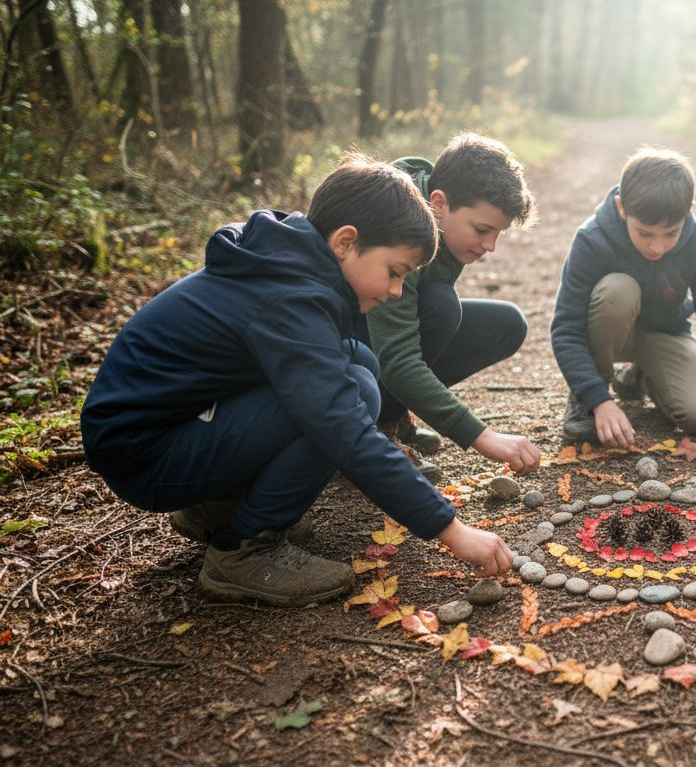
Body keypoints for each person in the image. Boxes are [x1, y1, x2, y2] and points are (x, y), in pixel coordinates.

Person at [80, 155, 513, 607]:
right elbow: (343, 428)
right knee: (352, 397)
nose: (395, 292)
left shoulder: (289, 265)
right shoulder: (289, 298)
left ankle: (217, 508)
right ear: (346, 241)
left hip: (172, 426)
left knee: (359, 361)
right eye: (395, 272)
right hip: (146, 457)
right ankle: (244, 548)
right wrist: (451, 530)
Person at [356, 133, 541, 479]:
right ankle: (371, 427)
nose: (490, 246)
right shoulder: (400, 229)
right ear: (438, 203)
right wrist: (482, 436)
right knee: (442, 306)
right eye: (483, 229)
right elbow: (398, 361)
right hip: (343, 352)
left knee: (506, 325)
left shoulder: (438, 222)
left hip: (380, 338)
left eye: (497, 233)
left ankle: (393, 414)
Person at [552, 147, 696, 448]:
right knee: (618, 290)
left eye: (671, 234)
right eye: (645, 234)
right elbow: (566, 328)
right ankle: (585, 399)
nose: (657, 247)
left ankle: (641, 378)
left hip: (663, 333)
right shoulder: (591, 240)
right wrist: (598, 400)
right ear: (621, 208)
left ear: (688, 209)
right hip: (608, 331)